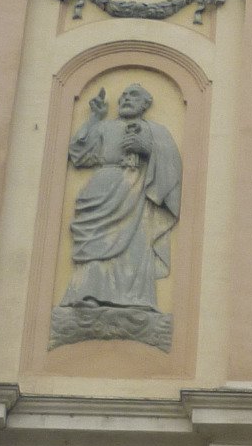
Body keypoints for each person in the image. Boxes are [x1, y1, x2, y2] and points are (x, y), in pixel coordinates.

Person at [51, 83, 182, 348]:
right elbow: (79, 155)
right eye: (123, 95)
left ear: (145, 104)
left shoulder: (156, 132)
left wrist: (149, 149)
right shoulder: (104, 127)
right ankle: (86, 296)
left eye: (133, 95)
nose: (125, 99)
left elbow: (172, 166)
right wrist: (94, 118)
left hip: (137, 192)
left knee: (135, 246)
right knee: (95, 244)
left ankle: (136, 301)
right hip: (104, 187)